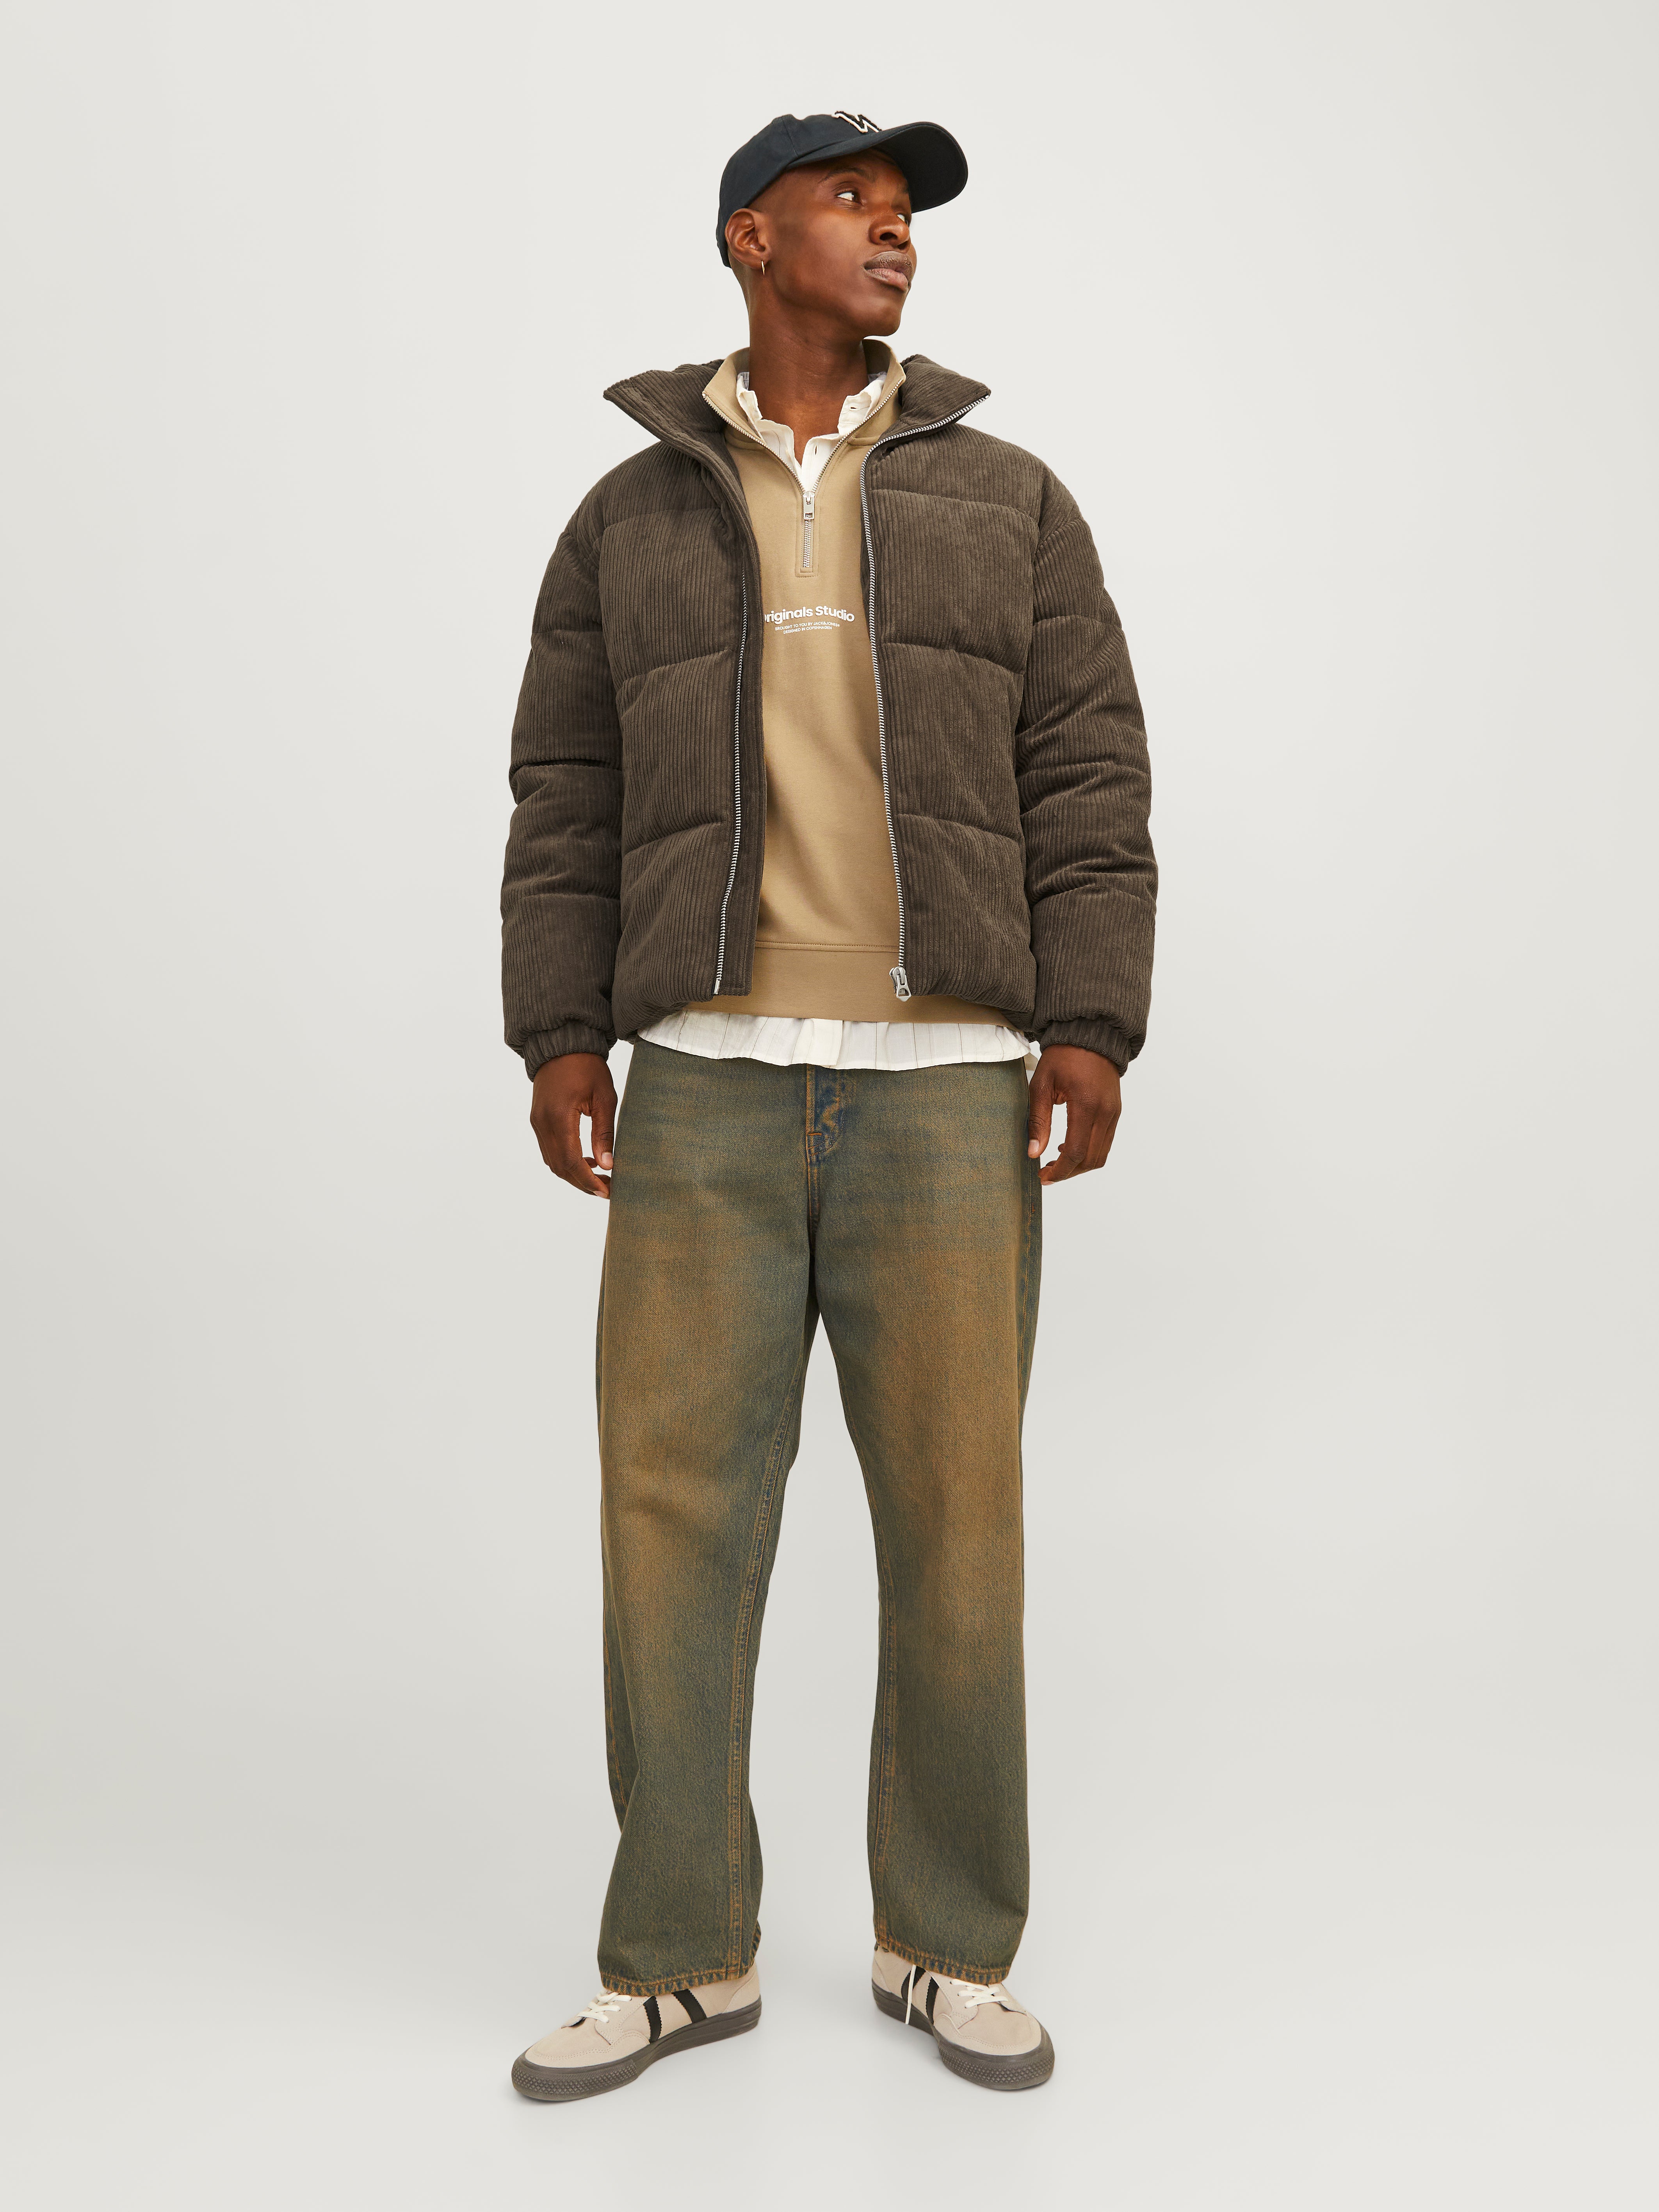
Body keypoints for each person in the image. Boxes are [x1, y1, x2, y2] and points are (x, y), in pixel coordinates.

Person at [500, 109, 1155, 2100]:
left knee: (957, 1527)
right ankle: (679, 1951)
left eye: (904, 211)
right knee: (666, 1523)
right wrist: (558, 1034)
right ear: (748, 236)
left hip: (946, 1085)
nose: (892, 235)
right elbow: (567, 793)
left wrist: (1090, 1022)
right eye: (851, 202)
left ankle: (946, 1944)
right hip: (700, 1081)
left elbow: (1086, 768)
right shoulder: (629, 516)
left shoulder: (1010, 499)